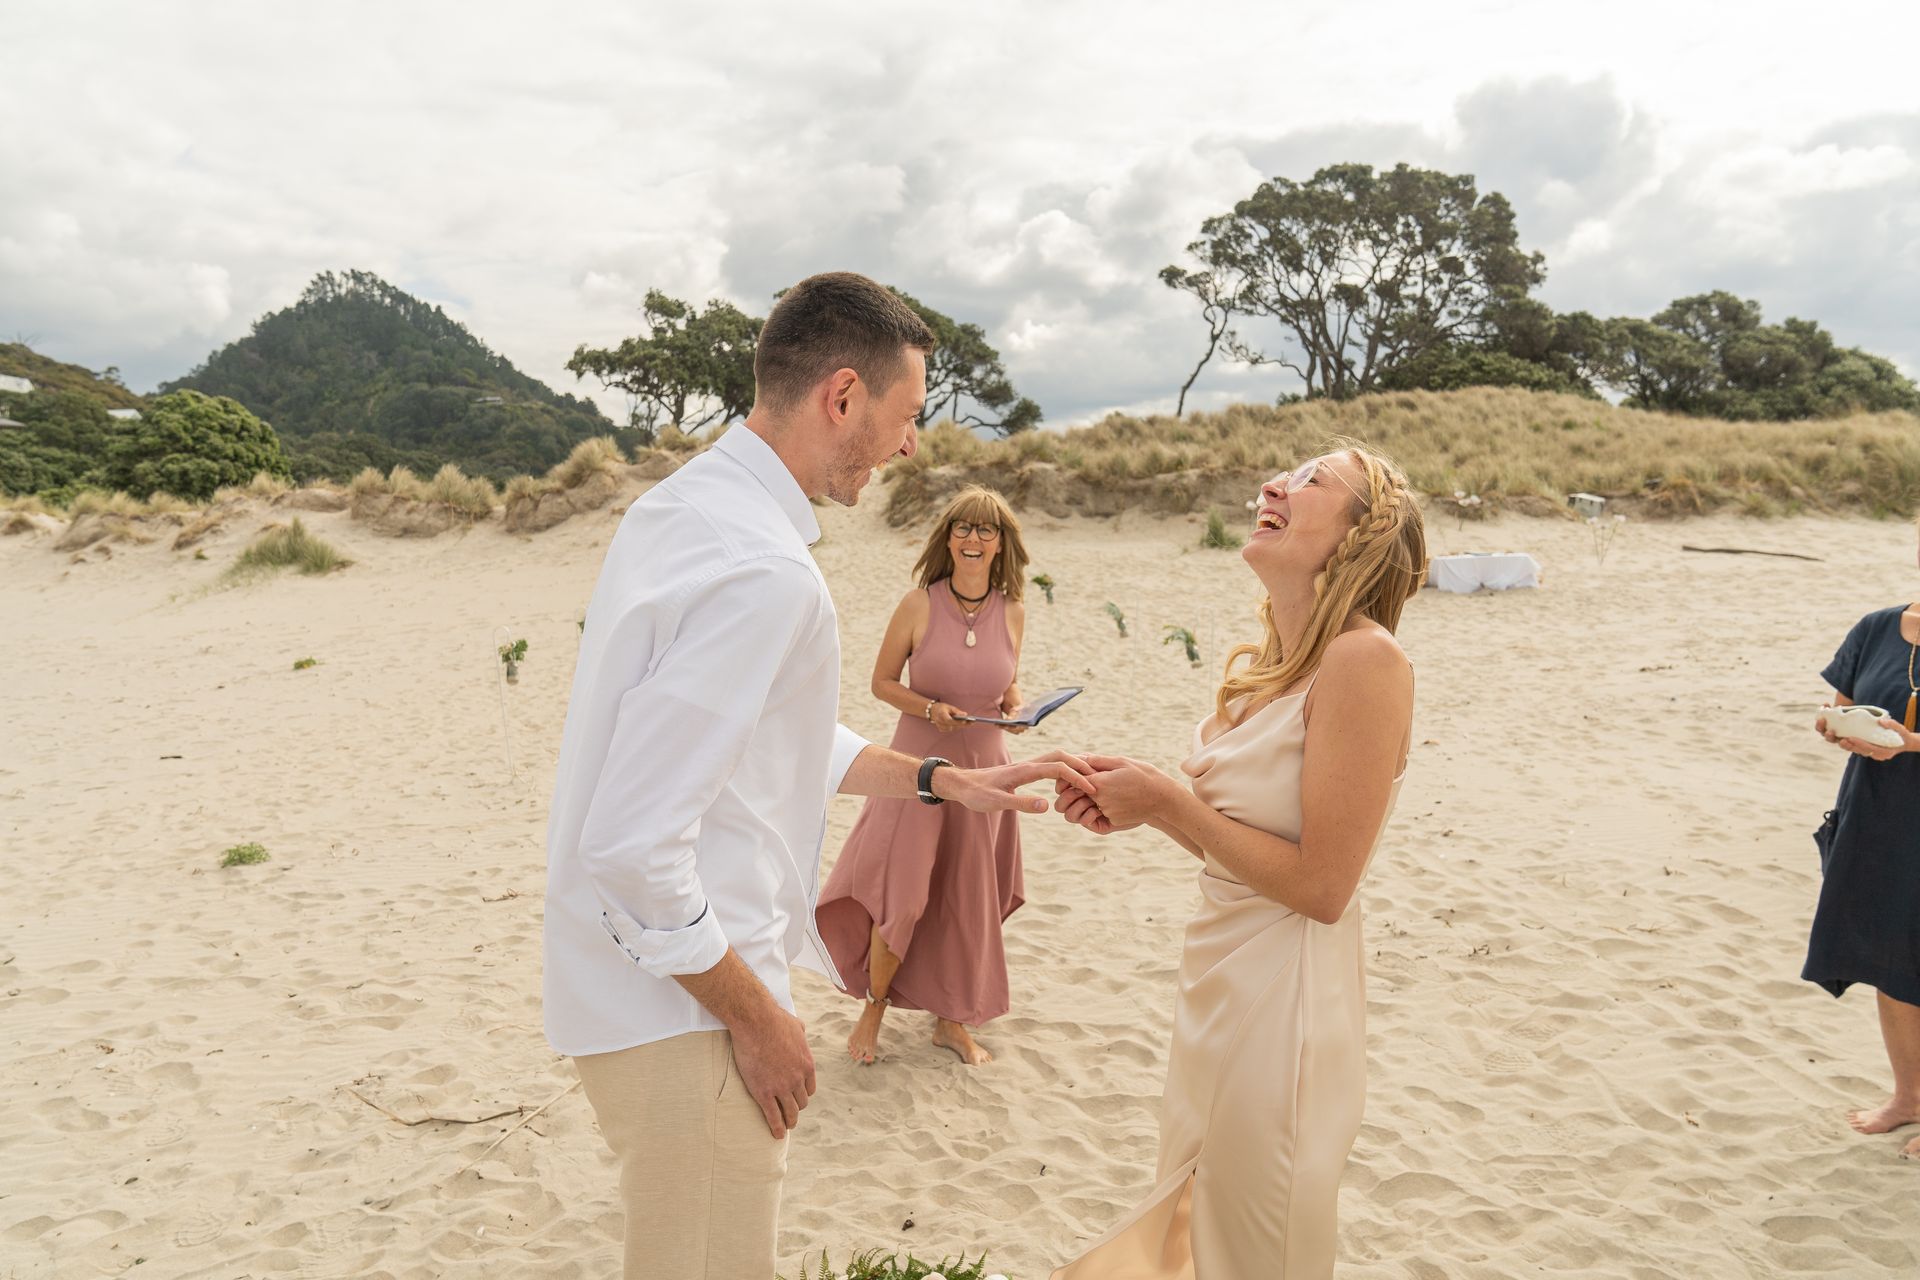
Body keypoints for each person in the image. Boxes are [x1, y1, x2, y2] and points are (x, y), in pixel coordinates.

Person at [542, 271, 1092, 1280]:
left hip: (630, 994)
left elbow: (763, 735)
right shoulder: (762, 569)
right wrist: (758, 1019)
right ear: (843, 395)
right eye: (907, 415)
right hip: (690, 1015)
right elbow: (631, 844)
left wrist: (939, 781)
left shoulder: (680, 509)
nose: (910, 446)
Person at [1050, 446, 1426, 1280]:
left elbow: (1322, 887)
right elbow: (1249, 849)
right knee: (1195, 1227)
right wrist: (1143, 808)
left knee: (1255, 1245)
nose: (1273, 485)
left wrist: (1170, 801)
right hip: (1217, 983)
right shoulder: (1274, 669)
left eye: (1312, 479)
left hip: (1285, 1003)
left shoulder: (1366, 662)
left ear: (1362, 533)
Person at [817, 486, 1034, 1067]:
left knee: (968, 898)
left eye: (985, 530)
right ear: (948, 538)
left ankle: (951, 1022)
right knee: (904, 896)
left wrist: (1015, 708)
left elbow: (1007, 682)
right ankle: (874, 1006)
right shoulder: (919, 604)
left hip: (986, 771)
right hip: (917, 769)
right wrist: (929, 708)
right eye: (962, 527)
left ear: (1000, 544)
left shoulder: (1014, 610)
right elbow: (882, 683)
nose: (973, 538)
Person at [1809, 514, 1920, 1161]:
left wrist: (1911, 744)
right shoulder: (1877, 627)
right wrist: (1836, 727)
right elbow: (1839, 705)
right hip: (1879, 817)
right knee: (1891, 959)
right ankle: (1909, 1097)